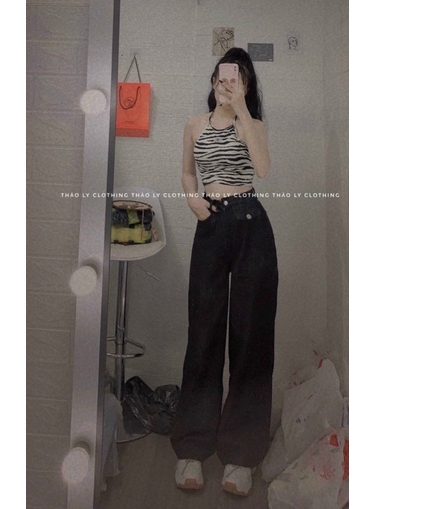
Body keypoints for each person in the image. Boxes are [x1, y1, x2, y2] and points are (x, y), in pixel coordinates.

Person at [170, 47, 279, 497]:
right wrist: (192, 199)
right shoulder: (194, 125)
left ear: (246, 83)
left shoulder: (253, 125)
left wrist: (242, 112)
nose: (226, 82)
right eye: (221, 76)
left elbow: (263, 169)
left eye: (236, 77)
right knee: (204, 333)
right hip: (211, 225)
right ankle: (193, 447)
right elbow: (187, 173)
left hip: (251, 223)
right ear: (213, 79)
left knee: (251, 338)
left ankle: (241, 455)